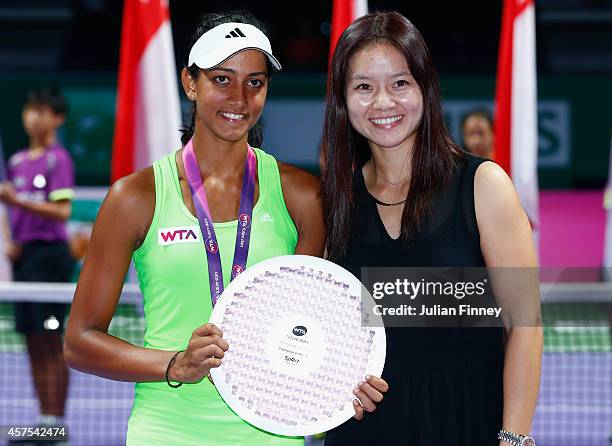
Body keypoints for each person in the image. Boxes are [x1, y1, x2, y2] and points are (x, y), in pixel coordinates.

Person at [63, 11, 328, 446]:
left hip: (272, 432)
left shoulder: (302, 196)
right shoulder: (136, 196)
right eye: (222, 80)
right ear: (190, 83)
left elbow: (317, 319)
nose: (239, 99)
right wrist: (175, 364)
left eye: (255, 82)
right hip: (167, 430)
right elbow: (79, 341)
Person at [321, 12, 543, 445]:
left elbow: (526, 323)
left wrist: (514, 438)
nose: (383, 102)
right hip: (365, 431)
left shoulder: (483, 186)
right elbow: (324, 330)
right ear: (342, 100)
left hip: (466, 424)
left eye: (400, 83)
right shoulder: (334, 201)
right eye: (364, 87)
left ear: (426, 88)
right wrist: (335, 381)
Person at [0, 87, 75, 439]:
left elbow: (62, 211)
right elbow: (7, 209)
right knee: (32, 340)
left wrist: (18, 202)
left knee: (50, 339)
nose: (33, 117)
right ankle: (44, 422)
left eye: (42, 111)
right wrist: (8, 240)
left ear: (57, 118)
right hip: (24, 258)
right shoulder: (16, 162)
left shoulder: (57, 160)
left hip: (50, 259)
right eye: (30, 110)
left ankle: (55, 421)